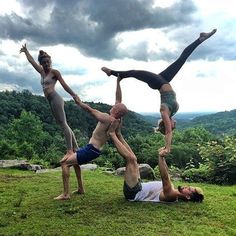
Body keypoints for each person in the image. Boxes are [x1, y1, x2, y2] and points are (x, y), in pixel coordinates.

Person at [102, 29, 217, 155]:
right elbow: (169, 129)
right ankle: (201, 38)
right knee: (182, 59)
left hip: (157, 83)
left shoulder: (164, 113)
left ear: (166, 124)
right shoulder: (172, 112)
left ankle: (112, 73)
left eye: (173, 126)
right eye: (174, 126)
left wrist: (167, 147)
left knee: (135, 72)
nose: (175, 125)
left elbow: (168, 131)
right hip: (165, 80)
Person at [54, 77, 128, 200]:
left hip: (91, 150)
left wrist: (79, 102)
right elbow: (119, 100)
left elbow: (90, 110)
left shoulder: (106, 118)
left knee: (64, 163)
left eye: (115, 107)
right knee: (75, 162)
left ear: (116, 111)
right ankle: (81, 188)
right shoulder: (118, 121)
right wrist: (118, 82)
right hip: (93, 150)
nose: (113, 106)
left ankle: (66, 194)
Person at [108, 120, 204, 203]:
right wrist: (163, 156)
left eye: (189, 189)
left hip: (134, 192)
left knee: (131, 159)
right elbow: (167, 172)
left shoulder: (171, 196)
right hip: (138, 185)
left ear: (188, 197)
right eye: (189, 186)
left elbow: (165, 178)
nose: (186, 187)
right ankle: (119, 134)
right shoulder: (173, 190)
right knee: (134, 158)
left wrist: (160, 156)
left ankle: (112, 134)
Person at [20, 44, 78, 159]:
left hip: (56, 99)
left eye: (48, 62)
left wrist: (74, 95)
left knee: (63, 124)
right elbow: (32, 61)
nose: (46, 64)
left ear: (50, 62)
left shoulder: (54, 72)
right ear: (41, 63)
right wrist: (26, 51)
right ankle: (76, 148)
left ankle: (70, 150)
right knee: (63, 124)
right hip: (50, 101)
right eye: (44, 62)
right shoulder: (42, 72)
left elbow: (64, 84)